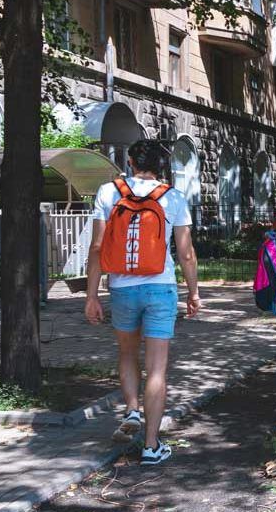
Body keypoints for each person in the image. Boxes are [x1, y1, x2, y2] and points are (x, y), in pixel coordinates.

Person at [84, 140, 200, 466]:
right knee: (158, 368)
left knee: (127, 353)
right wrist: (193, 292)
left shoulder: (109, 192)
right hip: (161, 288)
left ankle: (133, 410)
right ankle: (151, 446)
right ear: (161, 166)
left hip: (121, 288)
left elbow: (96, 247)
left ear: (131, 161)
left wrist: (92, 295)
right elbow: (186, 253)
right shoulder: (173, 198)